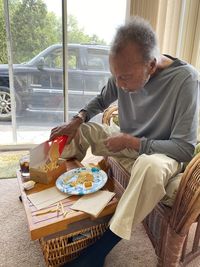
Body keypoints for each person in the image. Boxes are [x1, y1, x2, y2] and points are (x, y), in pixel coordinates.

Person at [50, 16, 199, 267]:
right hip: (128, 142)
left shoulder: (186, 80)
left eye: (124, 78)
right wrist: (78, 118)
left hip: (162, 154)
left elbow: (184, 149)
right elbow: (101, 100)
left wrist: (132, 142)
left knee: (149, 166)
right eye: (115, 76)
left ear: (151, 65)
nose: (118, 84)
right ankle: (42, 174)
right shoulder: (124, 70)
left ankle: (99, 252)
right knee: (83, 131)